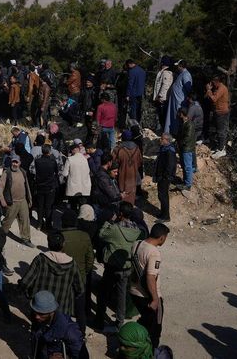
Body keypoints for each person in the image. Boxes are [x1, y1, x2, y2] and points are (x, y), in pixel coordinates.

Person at [95, 203, 144, 331]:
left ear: (120, 214)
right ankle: (119, 321)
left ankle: (99, 320)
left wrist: (109, 221)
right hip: (127, 267)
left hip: (112, 267)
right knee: (121, 295)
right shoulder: (136, 230)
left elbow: (101, 234)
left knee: (103, 293)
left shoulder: (115, 229)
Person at [20, 232, 82, 318]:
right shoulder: (72, 264)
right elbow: (80, 289)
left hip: (40, 309)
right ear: (63, 244)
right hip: (61, 309)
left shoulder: (40, 259)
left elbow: (25, 282)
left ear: (48, 244)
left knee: (37, 330)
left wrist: (30, 295)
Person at [130, 222, 169, 350]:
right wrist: (155, 299)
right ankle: (150, 352)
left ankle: (138, 345)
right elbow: (150, 277)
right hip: (148, 296)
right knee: (155, 330)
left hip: (134, 292)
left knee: (145, 321)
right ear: (162, 237)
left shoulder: (137, 244)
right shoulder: (154, 253)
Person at [60, 209, 94, 334]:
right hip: (80, 277)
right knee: (80, 308)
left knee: (63, 307)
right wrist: (85, 272)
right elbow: (90, 259)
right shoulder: (84, 236)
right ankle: (82, 331)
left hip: (63, 277)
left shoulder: (59, 236)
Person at [29, 290, 88, 359]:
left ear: (51, 312)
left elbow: (83, 356)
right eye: (35, 311)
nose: (37, 317)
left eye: (41, 313)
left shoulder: (70, 332)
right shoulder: (39, 319)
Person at [1, 155, 34, 248]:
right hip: (12, 202)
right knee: (8, 220)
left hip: (22, 201)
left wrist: (29, 199)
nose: (14, 164)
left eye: (16, 162)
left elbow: (27, 186)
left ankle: (26, 239)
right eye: (13, 162)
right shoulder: (6, 172)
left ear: (20, 163)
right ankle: (1, 234)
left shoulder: (23, 172)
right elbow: (1, 187)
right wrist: (2, 200)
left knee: (25, 220)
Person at [31, 144, 59, 230]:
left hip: (40, 186)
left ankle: (39, 224)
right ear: (49, 151)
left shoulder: (37, 161)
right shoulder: (52, 161)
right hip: (50, 187)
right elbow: (56, 172)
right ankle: (48, 224)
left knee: (40, 206)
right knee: (48, 206)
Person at [113, 131, 143, 204]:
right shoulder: (137, 148)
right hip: (133, 175)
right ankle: (129, 209)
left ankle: (123, 211)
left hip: (121, 176)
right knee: (132, 193)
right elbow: (140, 162)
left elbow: (113, 163)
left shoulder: (118, 149)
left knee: (122, 193)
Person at [152, 134, 177, 223]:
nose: (160, 140)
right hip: (161, 176)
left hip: (164, 178)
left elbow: (170, 166)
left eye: (162, 139)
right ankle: (163, 213)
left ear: (167, 140)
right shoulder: (164, 148)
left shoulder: (169, 151)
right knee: (161, 195)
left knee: (163, 196)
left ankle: (166, 216)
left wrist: (165, 177)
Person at [164, 60, 192, 135]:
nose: (177, 67)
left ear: (181, 66)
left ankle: (176, 132)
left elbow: (188, 88)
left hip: (179, 99)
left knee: (178, 115)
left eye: (178, 66)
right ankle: (171, 131)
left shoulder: (186, 75)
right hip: (176, 99)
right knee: (173, 115)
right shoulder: (181, 73)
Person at [206, 75, 230, 159]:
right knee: (218, 130)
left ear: (217, 82)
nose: (212, 84)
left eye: (213, 82)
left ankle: (221, 150)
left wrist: (209, 90)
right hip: (218, 112)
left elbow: (214, 99)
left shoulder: (221, 88)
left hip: (222, 113)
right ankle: (219, 147)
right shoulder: (217, 88)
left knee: (221, 131)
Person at [62, 144, 91, 209]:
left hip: (73, 187)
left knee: (73, 206)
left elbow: (65, 173)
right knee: (82, 206)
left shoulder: (70, 159)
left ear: (73, 150)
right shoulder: (85, 159)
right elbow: (88, 171)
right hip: (84, 186)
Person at [176, 108, 195, 191]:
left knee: (187, 166)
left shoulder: (189, 124)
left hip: (187, 148)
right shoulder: (183, 123)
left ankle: (188, 184)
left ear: (182, 114)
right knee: (184, 165)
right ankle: (185, 181)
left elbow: (187, 137)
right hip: (183, 147)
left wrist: (180, 143)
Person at [152, 57, 174, 132]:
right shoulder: (164, 72)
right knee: (161, 115)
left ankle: (164, 131)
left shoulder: (166, 73)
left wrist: (160, 96)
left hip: (163, 99)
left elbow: (165, 85)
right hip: (162, 98)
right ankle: (163, 129)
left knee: (163, 116)